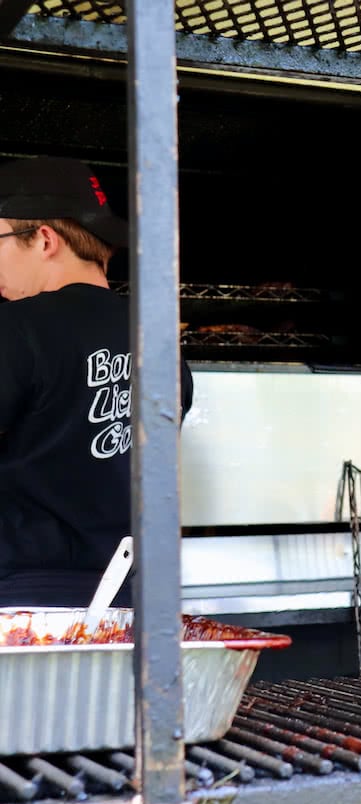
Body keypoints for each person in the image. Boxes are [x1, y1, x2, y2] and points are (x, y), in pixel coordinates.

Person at [0, 156, 194, 607]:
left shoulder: (17, 327)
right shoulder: (159, 339)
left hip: (20, 598)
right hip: (127, 596)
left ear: (44, 239)